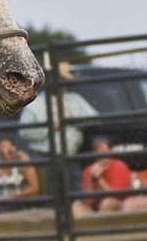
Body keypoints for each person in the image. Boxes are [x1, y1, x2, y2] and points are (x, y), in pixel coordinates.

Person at [18, 61, 98, 193]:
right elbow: (25, 132)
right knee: (49, 195)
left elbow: (94, 119)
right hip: (44, 158)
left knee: (75, 194)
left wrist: (74, 120)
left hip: (70, 157)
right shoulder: (35, 104)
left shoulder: (75, 99)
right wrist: (49, 128)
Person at [72, 136, 131, 217]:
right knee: (76, 206)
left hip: (120, 205)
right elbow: (87, 202)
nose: (102, 156)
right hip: (96, 208)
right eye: (98, 152)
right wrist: (90, 178)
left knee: (107, 203)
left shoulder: (119, 166)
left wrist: (99, 179)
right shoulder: (89, 170)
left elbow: (115, 196)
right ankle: (90, 228)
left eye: (104, 152)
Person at [0, 137, 39, 210]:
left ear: (14, 148)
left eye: (9, 148)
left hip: (18, 201)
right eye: (2, 148)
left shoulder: (22, 160)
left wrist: (12, 197)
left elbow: (34, 188)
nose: (6, 151)